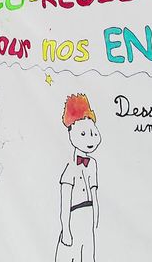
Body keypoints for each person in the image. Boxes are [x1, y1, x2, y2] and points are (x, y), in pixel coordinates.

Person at [55, 94, 102, 262]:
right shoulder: (70, 168)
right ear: (71, 133)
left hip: (88, 218)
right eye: (83, 133)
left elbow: (94, 193)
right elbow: (65, 202)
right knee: (69, 256)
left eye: (92, 132)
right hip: (74, 217)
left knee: (88, 256)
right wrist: (66, 230)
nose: (90, 138)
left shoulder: (93, 164)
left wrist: (96, 219)